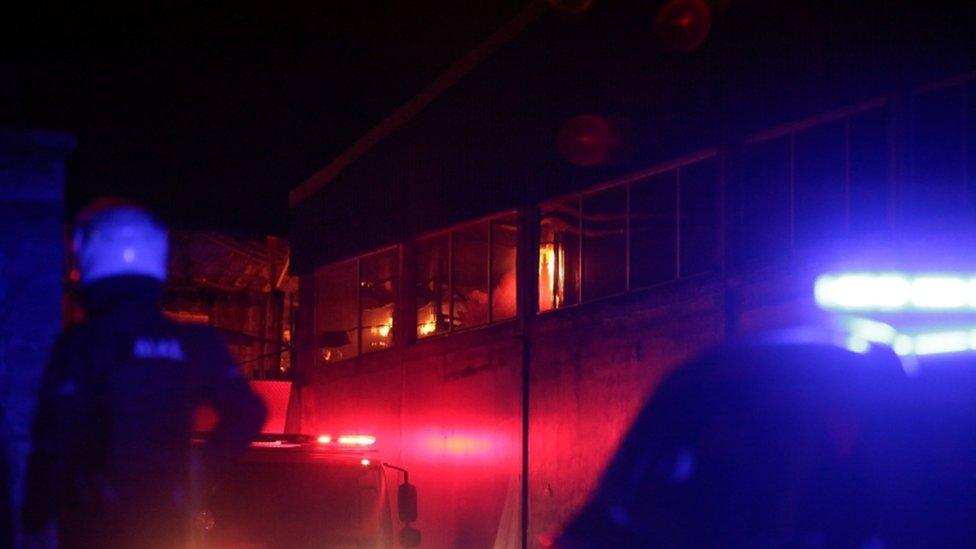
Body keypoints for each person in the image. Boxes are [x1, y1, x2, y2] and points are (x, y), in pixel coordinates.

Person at [22, 198, 266, 548]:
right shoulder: (196, 344)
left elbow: (51, 441)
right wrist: (197, 474)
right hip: (167, 524)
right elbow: (249, 412)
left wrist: (36, 516)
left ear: (87, 262)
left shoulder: (82, 345)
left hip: (94, 527)